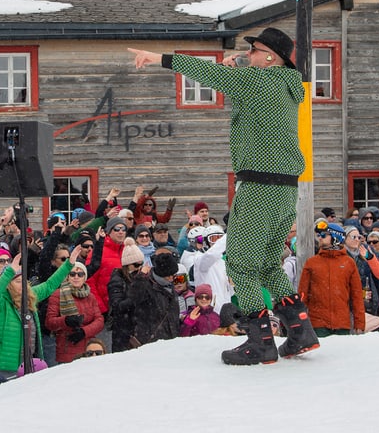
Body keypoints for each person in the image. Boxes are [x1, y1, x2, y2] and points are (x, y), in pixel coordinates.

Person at [129, 28, 318, 366]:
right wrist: (238, 74)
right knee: (269, 265)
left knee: (242, 264)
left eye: (255, 50)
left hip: (259, 186)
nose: (249, 55)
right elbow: (256, 110)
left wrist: (157, 58)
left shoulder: (259, 80)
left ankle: (259, 342)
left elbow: (206, 72)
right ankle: (301, 332)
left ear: (271, 57)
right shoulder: (285, 87)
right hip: (287, 189)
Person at [0, 247, 81, 375]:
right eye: (18, 281)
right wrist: (9, 272)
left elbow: (49, 285)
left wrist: (69, 264)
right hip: (8, 364)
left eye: (23, 280)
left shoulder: (30, 295)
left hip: (30, 361)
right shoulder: (1, 302)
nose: (23, 284)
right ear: (8, 284)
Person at [301, 224, 365, 337]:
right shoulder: (311, 263)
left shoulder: (349, 263)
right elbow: (303, 295)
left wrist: (359, 324)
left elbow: (356, 296)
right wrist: (299, 321)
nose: (320, 237)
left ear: (336, 238)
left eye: (324, 235)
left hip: (342, 324)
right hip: (318, 324)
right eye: (319, 234)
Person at [45, 261, 104, 364]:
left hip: (88, 349)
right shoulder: (57, 294)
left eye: (80, 274)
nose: (76, 277)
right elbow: (49, 322)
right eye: (72, 274)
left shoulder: (90, 296)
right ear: (67, 276)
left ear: (84, 277)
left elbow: (99, 321)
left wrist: (84, 331)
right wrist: (66, 321)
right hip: (67, 348)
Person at [128, 252, 180, 346]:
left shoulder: (169, 285)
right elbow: (133, 297)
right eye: (169, 276)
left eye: (174, 275)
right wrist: (140, 278)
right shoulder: (145, 285)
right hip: (150, 340)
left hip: (171, 338)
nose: (172, 279)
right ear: (160, 274)